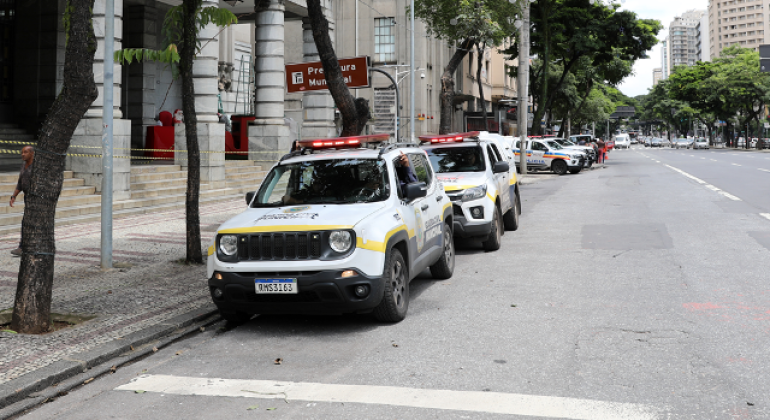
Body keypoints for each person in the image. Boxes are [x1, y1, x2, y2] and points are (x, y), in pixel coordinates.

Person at [9, 145, 34, 256]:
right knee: (26, 223)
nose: (22, 154)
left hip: (36, 200)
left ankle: (23, 247)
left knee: (29, 223)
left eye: (25, 152)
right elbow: (20, 182)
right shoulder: (23, 166)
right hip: (27, 199)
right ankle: (23, 247)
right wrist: (13, 196)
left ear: (32, 153)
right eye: (22, 152)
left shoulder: (37, 167)